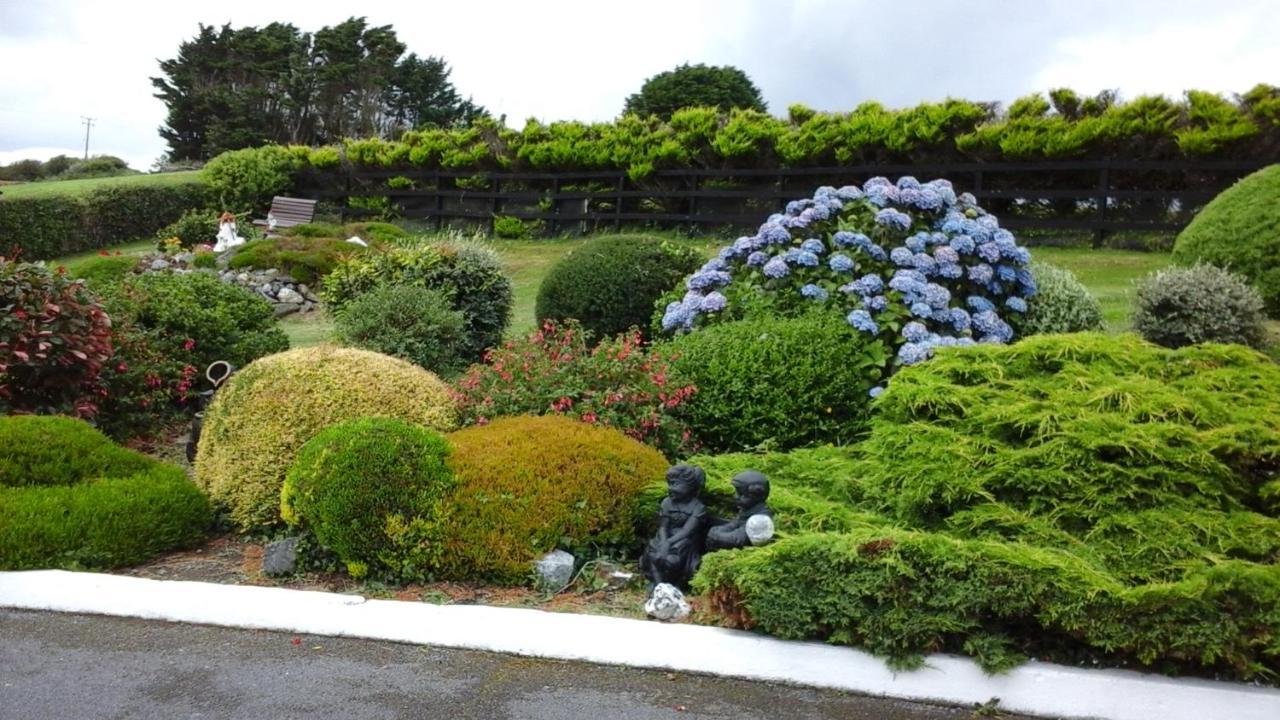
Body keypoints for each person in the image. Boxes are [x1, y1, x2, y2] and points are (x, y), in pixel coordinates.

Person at [640, 464, 709, 590]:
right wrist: (663, 541)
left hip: (685, 540)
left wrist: (668, 544)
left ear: (690, 486)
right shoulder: (667, 502)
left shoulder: (698, 507)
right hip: (666, 535)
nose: (671, 488)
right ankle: (659, 586)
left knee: (672, 560)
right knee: (653, 553)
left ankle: (675, 584)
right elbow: (663, 526)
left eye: (676, 484)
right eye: (670, 484)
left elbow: (687, 531)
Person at [705, 470, 773, 551]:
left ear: (755, 495)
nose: (736, 496)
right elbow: (733, 525)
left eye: (740, 494)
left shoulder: (759, 519)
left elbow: (737, 540)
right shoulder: (747, 511)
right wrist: (715, 531)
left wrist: (714, 534)